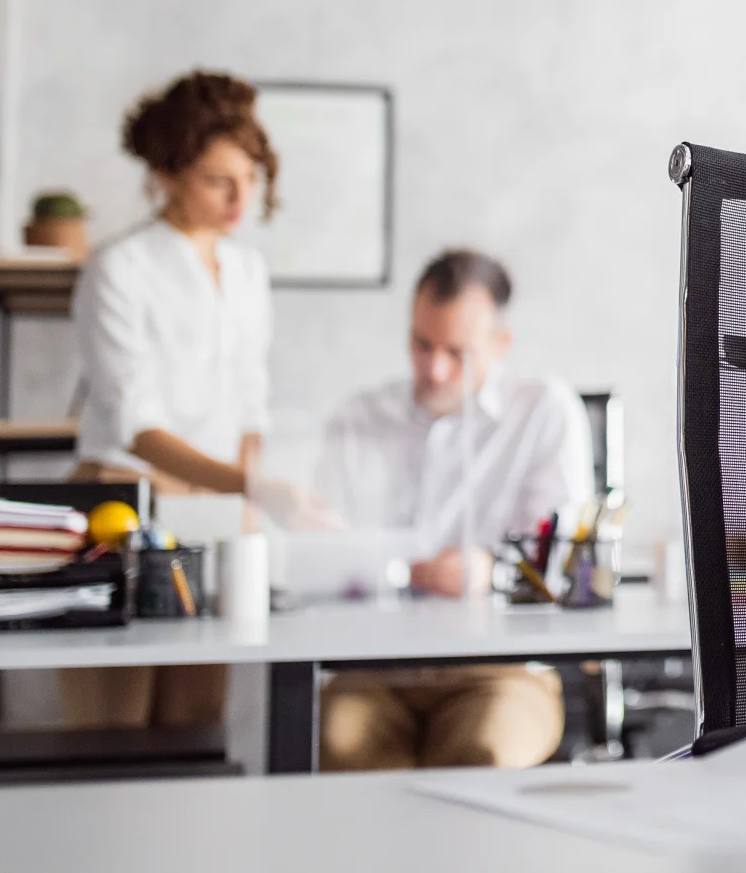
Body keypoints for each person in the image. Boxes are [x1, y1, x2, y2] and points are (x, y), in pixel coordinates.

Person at [312, 248, 590, 771]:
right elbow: (320, 558)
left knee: (479, 757)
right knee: (346, 750)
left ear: (500, 345)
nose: (434, 369)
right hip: (371, 673)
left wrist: (492, 571)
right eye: (421, 344)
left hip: (502, 674)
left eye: (456, 353)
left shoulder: (545, 412)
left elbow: (562, 563)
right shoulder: (358, 418)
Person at [63, 69, 281, 729]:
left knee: (194, 722)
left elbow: (250, 401)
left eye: (249, 177)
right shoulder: (119, 268)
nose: (239, 197)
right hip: (121, 501)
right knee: (111, 726)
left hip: (211, 507)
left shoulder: (247, 273)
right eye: (219, 179)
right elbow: (136, 424)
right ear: (165, 172)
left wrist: (241, 498)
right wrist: (249, 485)